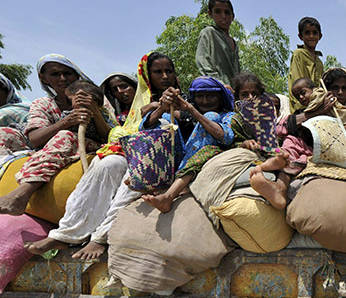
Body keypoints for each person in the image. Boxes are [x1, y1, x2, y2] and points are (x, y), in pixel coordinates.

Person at [25, 53, 184, 259]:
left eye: (168, 71)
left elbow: (194, 119)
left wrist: (165, 108)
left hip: (169, 155)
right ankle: (66, 234)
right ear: (146, 76)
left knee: (138, 172)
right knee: (106, 164)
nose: (164, 76)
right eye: (157, 72)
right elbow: (127, 132)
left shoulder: (187, 96)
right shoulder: (138, 105)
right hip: (134, 149)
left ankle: (101, 236)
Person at [0, 79, 116, 215]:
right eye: (73, 100)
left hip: (92, 147)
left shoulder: (104, 114)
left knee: (65, 136)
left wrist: (95, 112)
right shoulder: (64, 113)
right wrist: (67, 121)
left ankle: (21, 194)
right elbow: (36, 138)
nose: (62, 79)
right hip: (57, 146)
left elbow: (110, 137)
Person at [142, 76, 235, 212]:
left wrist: (192, 110)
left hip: (206, 162)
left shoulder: (227, 116)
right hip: (179, 162)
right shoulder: (184, 114)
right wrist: (162, 108)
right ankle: (157, 178)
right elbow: (144, 128)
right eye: (200, 96)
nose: (204, 101)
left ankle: (172, 191)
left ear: (221, 98)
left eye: (211, 96)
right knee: (166, 120)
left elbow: (225, 137)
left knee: (210, 116)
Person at [195, 0, 240, 85]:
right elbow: (204, 64)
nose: (223, 16)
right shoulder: (208, 33)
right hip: (217, 90)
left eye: (227, 12)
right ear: (210, 14)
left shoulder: (234, 42)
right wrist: (221, 85)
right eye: (218, 12)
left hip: (234, 92)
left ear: (233, 16)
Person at [288, 17, 323, 112]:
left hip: (316, 105)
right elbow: (297, 82)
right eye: (307, 33)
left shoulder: (319, 62)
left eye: (314, 33)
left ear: (320, 36)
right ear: (301, 36)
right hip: (302, 106)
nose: (311, 36)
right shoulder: (298, 54)